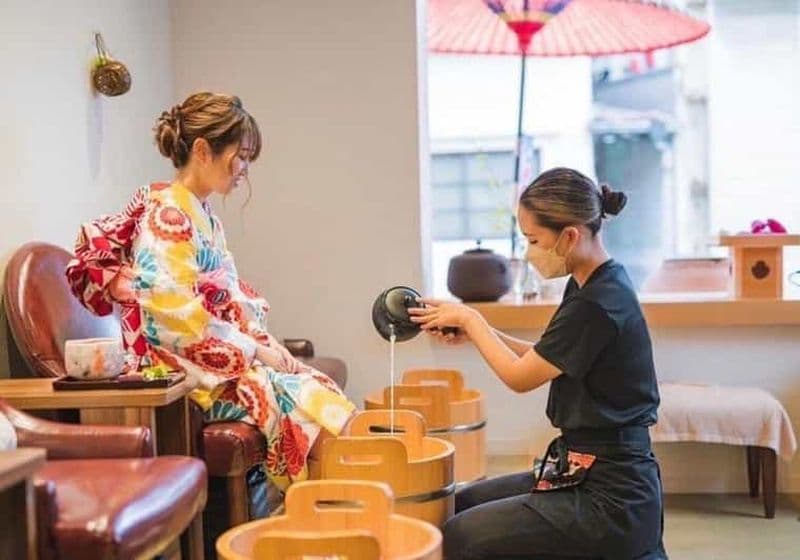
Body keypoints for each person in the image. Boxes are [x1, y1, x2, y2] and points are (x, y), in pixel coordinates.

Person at [66, 92, 355, 490]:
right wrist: (255, 352)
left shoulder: (205, 217)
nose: (244, 170)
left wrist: (266, 343)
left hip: (219, 358)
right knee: (305, 403)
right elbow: (174, 321)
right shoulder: (167, 216)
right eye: (241, 156)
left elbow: (232, 297)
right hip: (183, 370)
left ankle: (327, 505)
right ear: (203, 150)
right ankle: (324, 506)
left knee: (315, 384)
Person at [410, 167, 665, 559]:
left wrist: (473, 320)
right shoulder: (590, 282)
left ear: (570, 236)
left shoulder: (598, 301)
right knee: (461, 503)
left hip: (611, 495)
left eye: (533, 240)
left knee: (464, 535)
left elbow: (521, 377)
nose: (529, 253)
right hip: (579, 466)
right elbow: (547, 356)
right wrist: (477, 333)